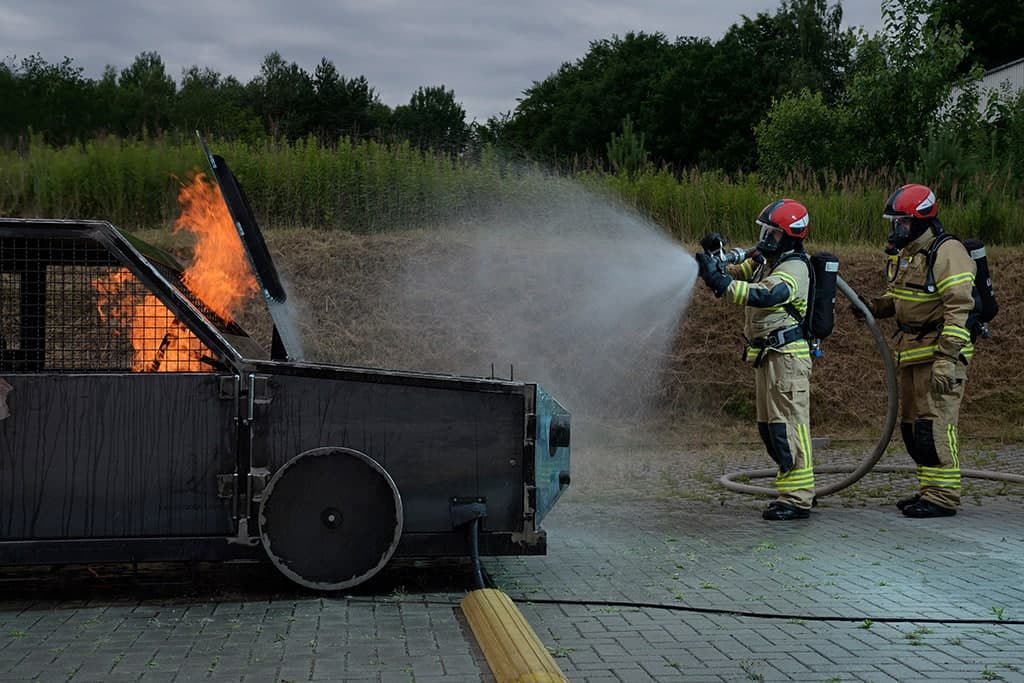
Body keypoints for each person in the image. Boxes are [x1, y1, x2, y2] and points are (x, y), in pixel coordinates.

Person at [854, 184, 975, 518]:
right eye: (895, 222)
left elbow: (958, 309)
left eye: (903, 223)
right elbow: (902, 298)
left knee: (934, 425)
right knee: (914, 427)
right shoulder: (909, 254)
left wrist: (947, 361)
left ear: (922, 219)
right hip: (912, 352)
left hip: (938, 355)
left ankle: (944, 496)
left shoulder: (947, 253)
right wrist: (874, 306)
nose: (897, 229)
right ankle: (929, 489)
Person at [695, 199, 815, 521]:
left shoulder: (795, 267)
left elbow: (765, 295)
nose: (765, 238)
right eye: (765, 231)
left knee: (788, 427)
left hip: (788, 357)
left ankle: (799, 498)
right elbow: (734, 274)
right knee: (770, 429)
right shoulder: (767, 262)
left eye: (773, 234)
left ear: (790, 236)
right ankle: (791, 492)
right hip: (768, 355)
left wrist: (724, 284)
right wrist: (713, 264)